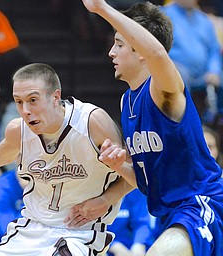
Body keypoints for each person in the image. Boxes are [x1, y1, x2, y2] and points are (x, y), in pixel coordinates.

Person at [0, 63, 133, 255]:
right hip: (31, 228)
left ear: (56, 97)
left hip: (79, 233)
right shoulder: (19, 130)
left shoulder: (92, 123)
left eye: (33, 100)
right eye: (19, 102)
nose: (25, 110)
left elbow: (136, 175)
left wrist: (106, 200)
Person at [67, 1, 223, 255]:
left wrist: (103, 9)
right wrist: (116, 175)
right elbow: (147, 182)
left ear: (140, 50)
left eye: (119, 44)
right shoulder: (127, 100)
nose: (111, 52)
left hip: (201, 205)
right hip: (169, 214)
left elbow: (158, 55)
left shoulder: (162, 90)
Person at [161, 0, 222, 123]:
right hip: (176, 71)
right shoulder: (163, 15)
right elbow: (158, 48)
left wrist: (213, 70)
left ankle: (216, 122)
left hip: (203, 74)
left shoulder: (204, 20)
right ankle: (183, 124)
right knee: (181, 73)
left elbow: (214, 51)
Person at [0, 169, 25, 255]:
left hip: (36, 244)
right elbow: (8, 231)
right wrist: (30, 196)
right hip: (1, 247)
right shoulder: (0, 186)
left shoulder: (47, 185)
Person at [107, 189, 153, 256]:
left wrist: (139, 244)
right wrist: (112, 245)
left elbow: (142, 223)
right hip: (102, 244)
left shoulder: (135, 190)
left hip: (130, 244)